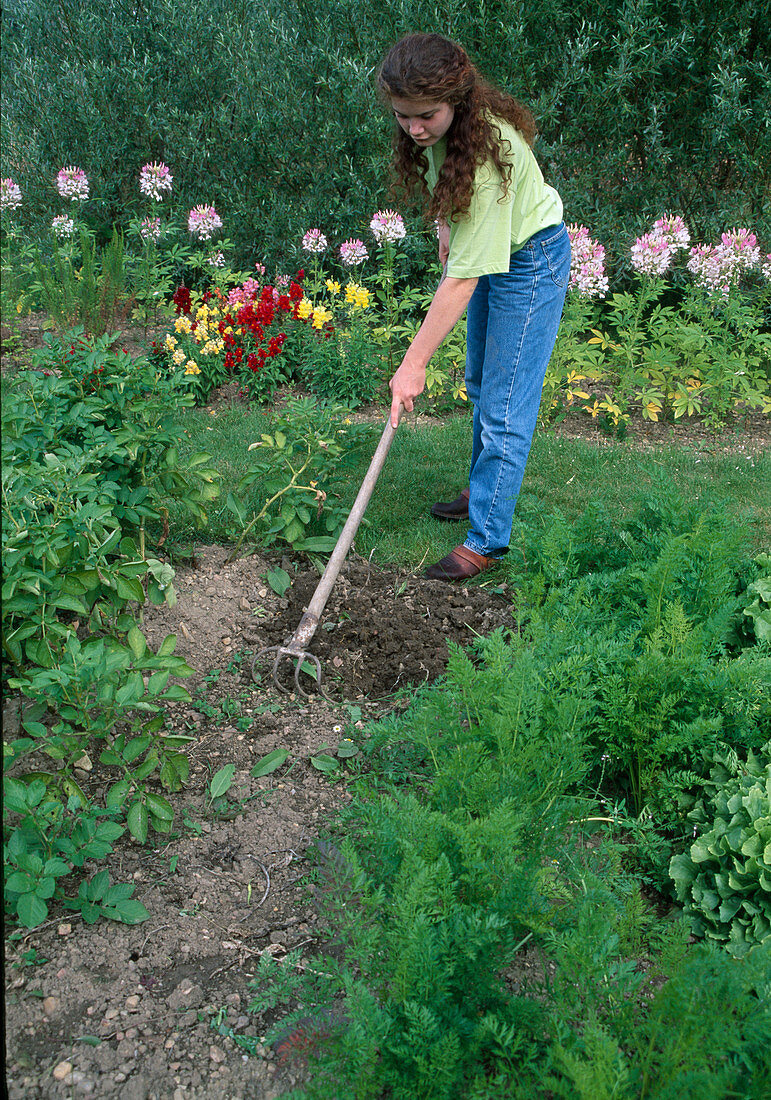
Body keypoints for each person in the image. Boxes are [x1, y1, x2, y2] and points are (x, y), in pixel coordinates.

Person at [378, 33, 571, 581]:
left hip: (531, 263)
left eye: (424, 117)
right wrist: (445, 223)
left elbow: (460, 282)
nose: (414, 129)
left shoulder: (488, 154)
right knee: (484, 386)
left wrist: (412, 365)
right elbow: (448, 181)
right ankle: (485, 489)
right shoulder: (449, 130)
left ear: (455, 100)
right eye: (402, 116)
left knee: (506, 406)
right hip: (501, 252)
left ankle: (486, 539)